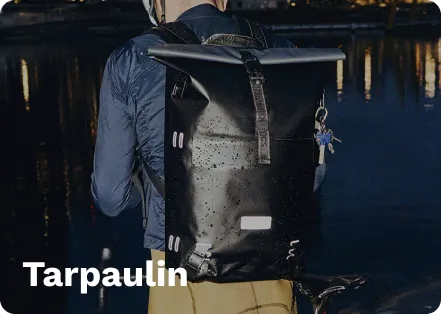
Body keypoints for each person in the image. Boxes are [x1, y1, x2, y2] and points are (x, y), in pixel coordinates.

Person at [91, 0, 298, 313]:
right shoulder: (282, 49)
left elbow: (110, 196)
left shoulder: (134, 58)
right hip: (274, 264)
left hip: (185, 268)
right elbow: (307, 174)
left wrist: (149, 184)